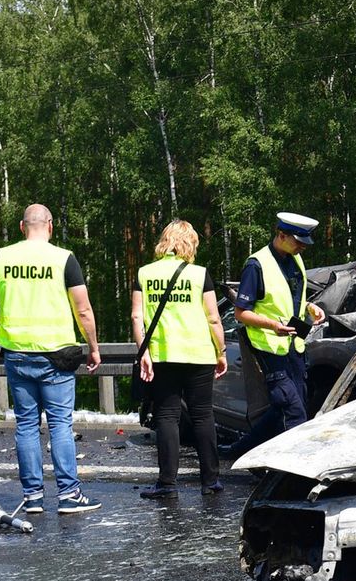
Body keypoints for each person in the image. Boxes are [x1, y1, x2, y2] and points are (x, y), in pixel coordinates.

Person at [0, 204, 102, 515]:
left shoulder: (1, 257)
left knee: (26, 426)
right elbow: (83, 309)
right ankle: (68, 495)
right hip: (57, 354)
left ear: (22, 227)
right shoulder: (63, 258)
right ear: (50, 226)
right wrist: (93, 346)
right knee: (60, 424)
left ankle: (33, 497)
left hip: (17, 353)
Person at [132, 220, 229, 500]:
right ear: (190, 243)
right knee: (202, 415)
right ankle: (210, 481)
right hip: (199, 354)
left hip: (163, 354)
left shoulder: (145, 273)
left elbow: (137, 316)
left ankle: (167, 484)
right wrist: (220, 352)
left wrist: (144, 352)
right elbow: (213, 318)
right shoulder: (200, 275)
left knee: (167, 416)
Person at [223, 212, 325, 460]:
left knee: (284, 407)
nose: (302, 247)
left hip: (294, 347)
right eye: (298, 241)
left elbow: (291, 299)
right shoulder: (256, 265)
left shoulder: (295, 259)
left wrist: (311, 308)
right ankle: (291, 473)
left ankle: (243, 450)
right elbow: (240, 313)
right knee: (293, 411)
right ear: (281, 235)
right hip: (269, 347)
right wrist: (272, 325)